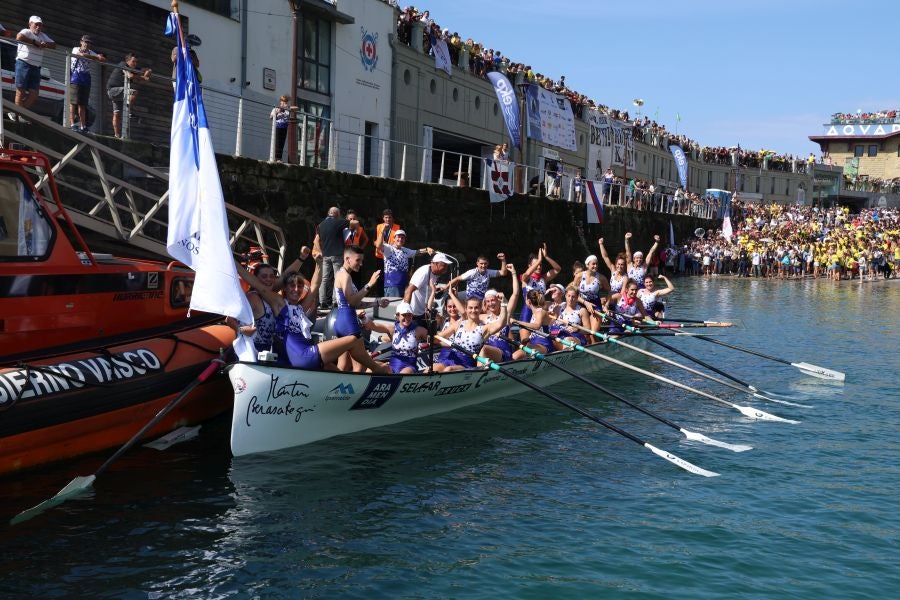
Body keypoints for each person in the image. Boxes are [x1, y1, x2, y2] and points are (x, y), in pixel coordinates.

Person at [237, 252, 389, 373]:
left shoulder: (300, 309)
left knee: (330, 366)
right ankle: (376, 368)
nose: (296, 290)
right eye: (291, 286)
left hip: (301, 353)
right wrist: (234, 264)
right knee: (354, 339)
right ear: (284, 289)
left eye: (299, 286)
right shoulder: (279, 304)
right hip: (302, 355)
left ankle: (347, 386)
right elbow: (257, 285)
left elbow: (315, 286)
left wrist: (319, 263)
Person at [433, 290, 508, 372]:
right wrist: (431, 337)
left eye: (476, 308)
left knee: (448, 369)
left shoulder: (484, 329)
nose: (473, 310)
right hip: (452, 358)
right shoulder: (458, 324)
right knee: (434, 367)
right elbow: (440, 336)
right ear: (466, 309)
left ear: (480, 309)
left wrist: (503, 304)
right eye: (470, 308)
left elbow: (501, 323)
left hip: (467, 364)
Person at [364, 301, 429, 373]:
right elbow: (372, 325)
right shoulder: (392, 329)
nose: (407, 318)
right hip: (392, 366)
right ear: (398, 316)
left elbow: (435, 339)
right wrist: (363, 317)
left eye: (409, 315)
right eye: (404, 315)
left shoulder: (419, 330)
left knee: (403, 375)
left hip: (409, 367)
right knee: (370, 369)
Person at [12, 16, 56, 119]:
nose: (38, 27)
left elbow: (54, 45)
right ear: (30, 24)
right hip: (23, 63)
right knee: (20, 91)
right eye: (36, 24)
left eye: (40, 25)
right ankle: (18, 115)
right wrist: (34, 42)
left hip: (36, 67)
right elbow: (18, 37)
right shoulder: (26, 31)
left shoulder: (43, 35)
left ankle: (18, 112)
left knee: (34, 94)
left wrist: (45, 44)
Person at [374, 229, 433, 297]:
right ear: (394, 238)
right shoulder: (388, 248)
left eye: (402, 237)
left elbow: (417, 252)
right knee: (393, 306)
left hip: (403, 284)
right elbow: (378, 245)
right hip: (392, 285)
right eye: (398, 237)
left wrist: (427, 249)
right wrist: (382, 231)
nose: (400, 239)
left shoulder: (405, 250)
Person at [106, 52, 152, 138]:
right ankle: (129, 112)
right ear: (127, 61)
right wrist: (144, 78)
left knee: (117, 113)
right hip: (113, 90)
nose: (135, 64)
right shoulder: (123, 64)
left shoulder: (133, 68)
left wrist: (148, 71)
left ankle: (116, 135)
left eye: (136, 62)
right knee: (133, 92)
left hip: (120, 92)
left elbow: (146, 69)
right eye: (133, 61)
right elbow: (130, 76)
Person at [404, 252, 453, 327]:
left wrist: (436, 289)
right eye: (444, 265)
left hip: (424, 312)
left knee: (440, 320)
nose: (446, 268)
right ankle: (384, 338)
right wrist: (405, 311)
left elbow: (424, 288)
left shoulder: (435, 273)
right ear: (436, 264)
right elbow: (409, 290)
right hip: (415, 313)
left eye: (447, 266)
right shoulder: (424, 272)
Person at [68, 35, 106, 133]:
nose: (87, 44)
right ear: (81, 42)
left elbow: (102, 59)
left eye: (89, 42)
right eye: (85, 42)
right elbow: (81, 55)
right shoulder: (75, 49)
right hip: (75, 77)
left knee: (83, 104)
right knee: (73, 102)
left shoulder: (90, 52)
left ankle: (83, 126)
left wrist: (97, 57)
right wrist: (96, 57)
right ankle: (72, 124)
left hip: (86, 78)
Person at [314, 206, 349, 309]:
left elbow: (316, 241)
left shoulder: (320, 225)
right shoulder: (338, 222)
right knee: (337, 277)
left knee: (324, 279)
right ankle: (335, 301)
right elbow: (354, 223)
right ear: (336, 214)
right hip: (337, 255)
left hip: (325, 255)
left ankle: (322, 302)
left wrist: (320, 251)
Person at [270, 94, 291, 162]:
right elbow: (270, 117)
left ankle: (279, 158)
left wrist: (288, 107)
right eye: (283, 102)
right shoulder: (275, 109)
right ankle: (276, 158)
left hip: (284, 127)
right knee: (277, 142)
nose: (284, 103)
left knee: (282, 143)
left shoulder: (287, 110)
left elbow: (297, 108)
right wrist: (277, 112)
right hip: (278, 127)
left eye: (285, 102)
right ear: (280, 102)